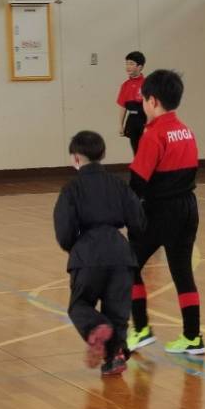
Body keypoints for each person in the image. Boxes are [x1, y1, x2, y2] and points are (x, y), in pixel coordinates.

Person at [124, 69, 205, 356]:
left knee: (127, 265)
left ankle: (141, 329)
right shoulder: (187, 131)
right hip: (188, 208)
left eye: (144, 100)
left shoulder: (153, 134)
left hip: (159, 211)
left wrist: (124, 213)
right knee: (182, 272)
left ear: (153, 101)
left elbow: (137, 183)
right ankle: (193, 337)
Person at [54, 130, 146, 377]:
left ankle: (97, 326)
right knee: (117, 312)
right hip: (120, 253)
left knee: (79, 305)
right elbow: (138, 222)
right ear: (103, 154)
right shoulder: (118, 184)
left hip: (87, 253)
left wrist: (77, 249)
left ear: (75, 158)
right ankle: (115, 357)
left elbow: (64, 232)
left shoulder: (71, 189)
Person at [117, 50, 146, 155]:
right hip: (132, 120)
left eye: (131, 64)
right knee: (136, 150)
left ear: (140, 67)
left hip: (145, 119)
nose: (128, 67)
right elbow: (123, 106)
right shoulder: (125, 85)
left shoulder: (147, 83)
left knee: (146, 150)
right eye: (127, 63)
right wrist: (120, 125)